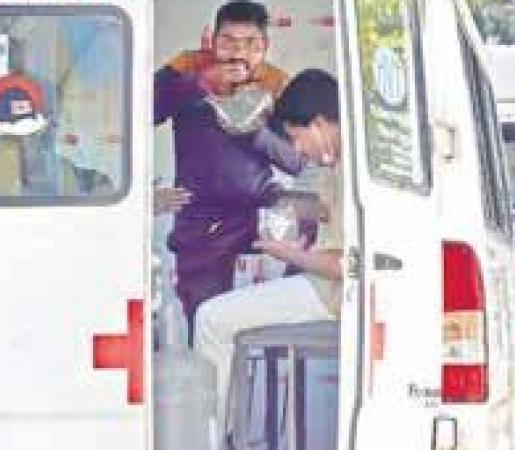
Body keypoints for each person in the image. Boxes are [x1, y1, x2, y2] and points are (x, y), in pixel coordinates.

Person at [193, 69, 342, 436]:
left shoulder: (344, 170)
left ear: (320, 123)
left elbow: (342, 266)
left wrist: (284, 252)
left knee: (211, 319)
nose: (298, 149)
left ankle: (209, 436)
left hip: (332, 296)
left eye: (297, 137)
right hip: (325, 286)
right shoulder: (342, 168)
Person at [154, 1, 304, 344]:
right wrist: (199, 83)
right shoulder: (188, 66)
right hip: (200, 224)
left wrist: (254, 130)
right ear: (211, 40)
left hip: (261, 220)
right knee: (204, 326)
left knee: (267, 339)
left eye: (251, 44)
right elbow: (143, 109)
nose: (239, 54)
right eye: (229, 42)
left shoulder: (277, 83)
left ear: (264, 46)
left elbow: (297, 160)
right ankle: (212, 398)